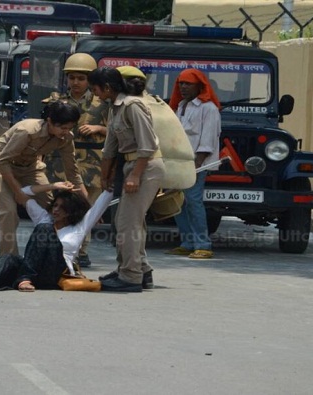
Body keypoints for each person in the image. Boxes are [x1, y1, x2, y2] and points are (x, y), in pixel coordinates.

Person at [88, 66, 165, 292]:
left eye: (96, 89)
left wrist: (136, 174)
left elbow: (148, 145)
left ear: (108, 87)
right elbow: (109, 148)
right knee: (129, 221)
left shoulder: (132, 106)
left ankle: (130, 277)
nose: (96, 95)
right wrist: (105, 176)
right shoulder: (115, 108)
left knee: (127, 224)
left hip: (145, 166)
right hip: (132, 166)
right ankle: (140, 270)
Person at [0, 181, 113, 292]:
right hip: (36, 272)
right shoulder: (44, 217)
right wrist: (53, 186)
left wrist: (114, 179)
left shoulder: (79, 227)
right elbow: (21, 192)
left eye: (62, 208)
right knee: (10, 258)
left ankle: (24, 278)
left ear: (71, 211)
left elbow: (103, 201)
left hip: (57, 273)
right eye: (55, 205)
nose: (56, 210)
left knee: (44, 228)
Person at [0, 100, 87, 256]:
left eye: (70, 128)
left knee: (54, 208)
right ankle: (8, 258)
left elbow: (72, 171)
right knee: (9, 212)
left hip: (30, 168)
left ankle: (54, 254)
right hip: (3, 168)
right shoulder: (26, 131)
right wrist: (18, 193)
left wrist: (87, 205)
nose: (66, 132)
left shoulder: (66, 137)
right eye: (62, 127)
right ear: (49, 121)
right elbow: (2, 162)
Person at [44, 53, 108, 267]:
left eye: (81, 78)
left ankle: (82, 250)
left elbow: (119, 131)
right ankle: (58, 247)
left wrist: (99, 128)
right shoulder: (56, 101)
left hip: (94, 163)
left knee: (87, 209)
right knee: (60, 208)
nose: (76, 83)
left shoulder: (103, 103)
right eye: (72, 78)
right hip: (61, 162)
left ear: (90, 79)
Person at [166, 68, 221, 259]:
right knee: (178, 202)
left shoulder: (209, 108)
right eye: (180, 83)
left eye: (187, 83)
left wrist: (196, 165)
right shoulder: (181, 106)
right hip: (178, 163)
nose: (183, 87)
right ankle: (188, 242)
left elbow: (207, 142)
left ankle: (203, 245)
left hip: (197, 163)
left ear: (199, 86)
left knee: (194, 202)